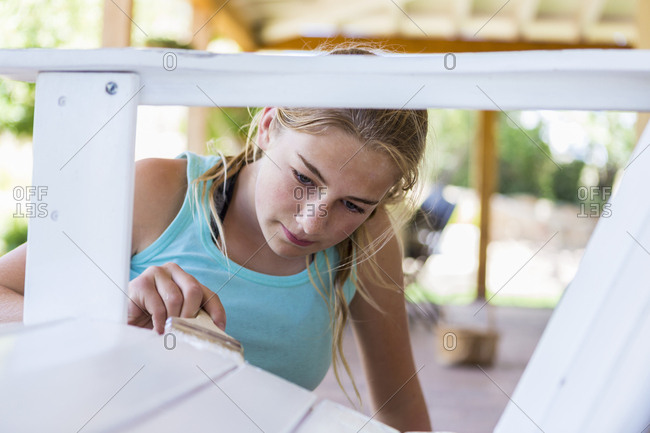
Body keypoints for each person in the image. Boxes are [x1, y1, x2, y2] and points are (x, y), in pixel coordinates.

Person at [0, 48, 432, 432]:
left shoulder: (370, 240)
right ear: (267, 126)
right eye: (303, 177)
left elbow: (402, 407)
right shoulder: (157, 193)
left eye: (353, 205)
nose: (311, 222)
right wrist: (109, 317)